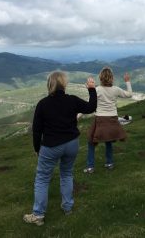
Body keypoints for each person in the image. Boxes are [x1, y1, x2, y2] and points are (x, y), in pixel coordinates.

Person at [23, 71, 97, 226]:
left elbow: (37, 130)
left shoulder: (43, 104)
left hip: (51, 146)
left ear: (50, 84)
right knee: (67, 174)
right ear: (64, 84)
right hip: (72, 144)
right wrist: (91, 89)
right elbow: (91, 107)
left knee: (42, 178)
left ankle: (38, 215)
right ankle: (68, 208)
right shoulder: (72, 100)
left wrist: (37, 148)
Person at [84, 67, 133, 174]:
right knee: (109, 141)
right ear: (112, 78)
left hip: (100, 119)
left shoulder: (97, 90)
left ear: (100, 78)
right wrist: (127, 81)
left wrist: (77, 115)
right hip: (112, 120)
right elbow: (129, 95)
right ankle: (109, 163)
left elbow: (88, 104)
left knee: (91, 142)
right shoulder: (116, 89)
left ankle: (90, 167)